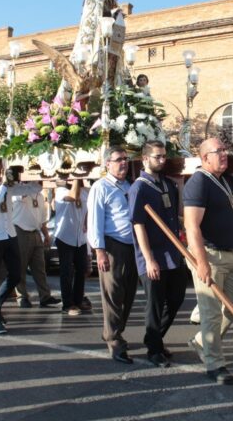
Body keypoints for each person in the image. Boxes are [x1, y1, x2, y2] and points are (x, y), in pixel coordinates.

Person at [183, 138, 233, 385]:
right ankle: (215, 364)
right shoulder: (198, 182)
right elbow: (191, 224)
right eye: (218, 152)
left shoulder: (225, 179)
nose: (224, 154)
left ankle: (201, 342)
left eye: (225, 150)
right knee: (211, 312)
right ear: (205, 157)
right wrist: (201, 261)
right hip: (210, 255)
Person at [128, 140, 188, 368]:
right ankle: (154, 349)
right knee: (154, 304)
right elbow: (138, 225)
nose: (162, 160)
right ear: (145, 159)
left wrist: (181, 185)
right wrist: (149, 259)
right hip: (153, 257)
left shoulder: (167, 184)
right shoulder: (139, 188)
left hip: (172, 254)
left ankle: (154, 338)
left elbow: (178, 214)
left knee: (176, 299)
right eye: (157, 157)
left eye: (164, 156)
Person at [0, 152, 40, 335]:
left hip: (9, 235)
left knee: (16, 275)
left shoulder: (8, 187)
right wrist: (5, 184)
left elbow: (32, 190)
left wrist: (36, 175)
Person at [87, 146, 137, 364]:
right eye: (118, 160)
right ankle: (114, 340)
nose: (123, 163)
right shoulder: (101, 187)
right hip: (112, 246)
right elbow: (95, 221)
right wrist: (99, 251)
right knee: (113, 294)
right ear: (107, 164)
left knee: (129, 294)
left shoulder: (129, 186)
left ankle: (113, 331)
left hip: (133, 246)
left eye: (126, 159)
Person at [10, 173, 60, 309]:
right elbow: (17, 194)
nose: (40, 183)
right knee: (20, 267)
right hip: (21, 231)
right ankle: (22, 297)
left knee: (40, 268)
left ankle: (45, 296)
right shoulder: (20, 193)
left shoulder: (41, 196)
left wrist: (46, 235)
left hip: (35, 232)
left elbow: (42, 220)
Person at [53, 178, 91, 316]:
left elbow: (87, 211)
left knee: (82, 270)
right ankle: (67, 304)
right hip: (65, 237)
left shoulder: (86, 192)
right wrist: (76, 177)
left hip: (80, 238)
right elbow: (73, 197)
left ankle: (78, 300)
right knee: (67, 271)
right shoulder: (60, 191)